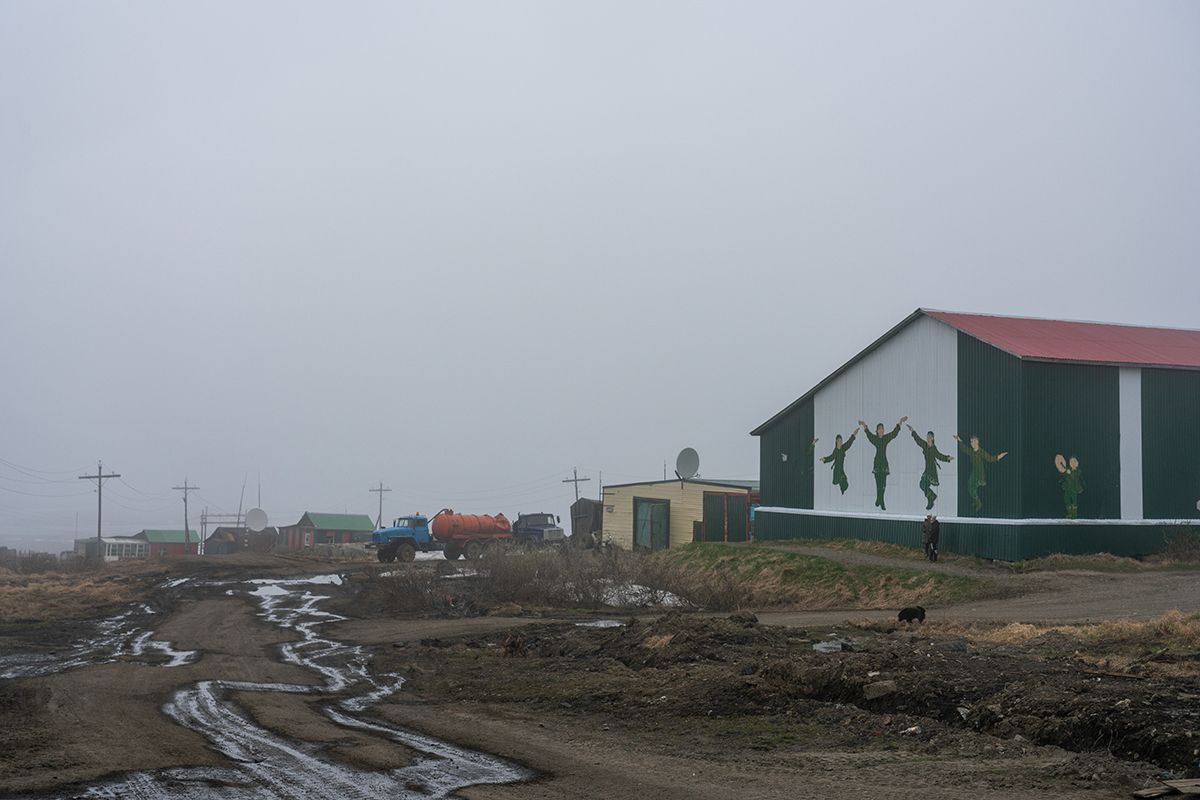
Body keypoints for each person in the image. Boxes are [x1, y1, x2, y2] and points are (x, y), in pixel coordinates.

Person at [859, 416, 907, 510]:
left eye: (882, 429)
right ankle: (880, 500)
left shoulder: (885, 438)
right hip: (877, 463)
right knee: (878, 484)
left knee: (884, 484)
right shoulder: (875, 439)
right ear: (877, 431)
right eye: (879, 429)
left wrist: (900, 422)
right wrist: (864, 425)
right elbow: (869, 435)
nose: (881, 430)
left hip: (884, 463)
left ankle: (880, 499)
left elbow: (893, 433)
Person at [954, 434, 1007, 513]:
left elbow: (990, 458)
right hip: (974, 472)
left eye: (974, 441)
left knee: (972, 487)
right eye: (971, 441)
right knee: (970, 487)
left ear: (978, 442)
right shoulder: (971, 451)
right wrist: (960, 440)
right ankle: (976, 501)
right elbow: (964, 449)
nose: (972, 443)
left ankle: (979, 503)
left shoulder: (981, 451)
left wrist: (998, 457)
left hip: (979, 473)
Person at [908, 424, 954, 510]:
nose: (928, 439)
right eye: (927, 437)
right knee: (922, 484)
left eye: (929, 438)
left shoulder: (933, 448)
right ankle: (931, 496)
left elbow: (939, 456)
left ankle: (931, 499)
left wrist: (947, 458)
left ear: (932, 439)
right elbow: (918, 440)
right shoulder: (925, 446)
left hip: (931, 470)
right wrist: (913, 431)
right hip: (927, 469)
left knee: (923, 484)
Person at [819, 428, 858, 494]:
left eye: (841, 441)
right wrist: (825, 459)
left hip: (841, 469)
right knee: (842, 482)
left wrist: (853, 434)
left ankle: (842, 491)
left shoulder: (843, 448)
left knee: (845, 485)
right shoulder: (836, 451)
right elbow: (831, 457)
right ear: (836, 441)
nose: (840, 442)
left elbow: (849, 443)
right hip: (837, 470)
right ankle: (841, 492)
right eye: (839, 441)